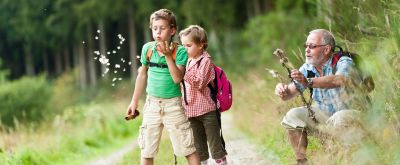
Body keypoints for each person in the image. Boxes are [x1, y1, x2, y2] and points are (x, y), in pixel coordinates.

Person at [274, 29, 362, 164]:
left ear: (326, 49)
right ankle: (301, 161)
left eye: (312, 46)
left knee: (340, 117)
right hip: (325, 116)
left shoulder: (343, 60)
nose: (307, 50)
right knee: (293, 115)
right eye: (306, 46)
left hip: (353, 116)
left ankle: (348, 159)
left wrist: (308, 81)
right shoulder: (308, 67)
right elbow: (289, 94)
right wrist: (282, 90)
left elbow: (339, 80)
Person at [126, 9, 200, 165]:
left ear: (172, 30)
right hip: (152, 105)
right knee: (147, 151)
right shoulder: (148, 49)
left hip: (173, 105)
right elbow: (142, 75)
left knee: (187, 149)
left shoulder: (179, 51)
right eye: (154, 28)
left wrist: (167, 56)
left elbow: (177, 78)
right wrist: (134, 101)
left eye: (162, 28)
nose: (158, 32)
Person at [179, 25, 228, 165]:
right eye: (183, 45)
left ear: (201, 45)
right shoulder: (187, 61)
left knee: (215, 147)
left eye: (188, 45)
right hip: (191, 111)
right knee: (199, 150)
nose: (185, 49)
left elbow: (200, 83)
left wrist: (184, 73)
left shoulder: (206, 61)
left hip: (207, 111)